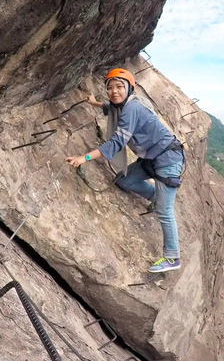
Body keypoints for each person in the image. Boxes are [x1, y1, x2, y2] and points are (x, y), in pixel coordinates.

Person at [66, 68, 185, 273]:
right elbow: (109, 107)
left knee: (164, 212)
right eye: (110, 87)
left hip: (167, 159)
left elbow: (117, 142)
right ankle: (157, 195)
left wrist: (84, 158)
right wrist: (94, 102)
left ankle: (172, 257)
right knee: (123, 181)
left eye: (119, 86)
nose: (114, 91)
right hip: (151, 159)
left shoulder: (133, 108)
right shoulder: (123, 105)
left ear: (130, 88)